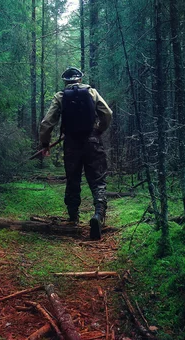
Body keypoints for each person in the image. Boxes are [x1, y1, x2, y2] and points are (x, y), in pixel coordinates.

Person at [39, 67, 113, 240]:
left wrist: (45, 144)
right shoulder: (92, 92)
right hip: (92, 141)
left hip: (71, 143)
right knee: (98, 180)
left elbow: (47, 123)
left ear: (65, 81)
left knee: (73, 180)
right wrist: (99, 130)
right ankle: (98, 214)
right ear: (80, 79)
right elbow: (107, 113)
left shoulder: (60, 96)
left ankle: (73, 219)